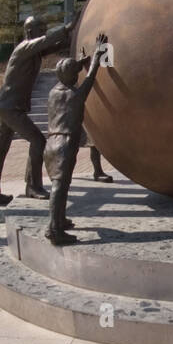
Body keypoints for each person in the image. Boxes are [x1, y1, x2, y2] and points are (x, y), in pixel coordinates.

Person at [0, 17, 72, 206]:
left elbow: (51, 46)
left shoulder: (34, 53)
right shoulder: (24, 48)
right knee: (38, 140)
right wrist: (65, 28)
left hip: (9, 106)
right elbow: (46, 41)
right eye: (42, 30)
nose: (44, 33)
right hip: (10, 107)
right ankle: (32, 186)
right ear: (30, 32)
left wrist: (72, 35)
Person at [43, 34, 111, 244]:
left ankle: (60, 220)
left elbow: (69, 74)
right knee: (60, 186)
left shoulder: (54, 92)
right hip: (65, 143)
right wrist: (97, 56)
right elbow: (89, 80)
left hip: (51, 142)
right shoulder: (75, 95)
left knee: (60, 184)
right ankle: (54, 229)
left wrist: (80, 62)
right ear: (73, 77)